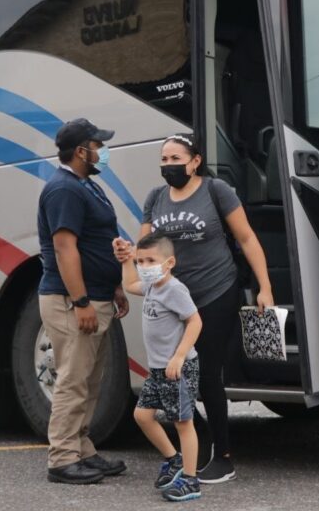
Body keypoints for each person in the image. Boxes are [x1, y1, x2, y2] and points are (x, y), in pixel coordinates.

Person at [115, 133, 274, 483]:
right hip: (173, 297)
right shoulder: (156, 198)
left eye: (176, 159)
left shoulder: (216, 191)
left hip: (215, 291)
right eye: (164, 159)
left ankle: (224, 457)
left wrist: (265, 286)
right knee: (173, 374)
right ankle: (198, 437)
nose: (169, 165)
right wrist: (127, 260)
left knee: (206, 374)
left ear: (195, 161)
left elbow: (246, 238)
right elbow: (145, 247)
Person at [38, 118, 130, 485]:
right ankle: (62, 458)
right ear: (80, 151)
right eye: (98, 145)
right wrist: (80, 301)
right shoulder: (63, 190)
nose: (103, 151)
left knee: (91, 380)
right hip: (70, 300)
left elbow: (99, 240)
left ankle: (82, 449)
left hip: (98, 294)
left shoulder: (85, 185)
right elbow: (65, 249)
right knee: (73, 380)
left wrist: (115, 286)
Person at [119, 232, 203, 502]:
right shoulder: (151, 287)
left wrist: (179, 356)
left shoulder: (174, 290)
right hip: (157, 370)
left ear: (169, 262)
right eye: (141, 261)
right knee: (142, 416)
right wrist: (127, 260)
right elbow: (130, 283)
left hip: (177, 369)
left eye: (150, 261)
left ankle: (191, 480)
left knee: (183, 422)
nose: (144, 267)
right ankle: (173, 459)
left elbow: (195, 321)